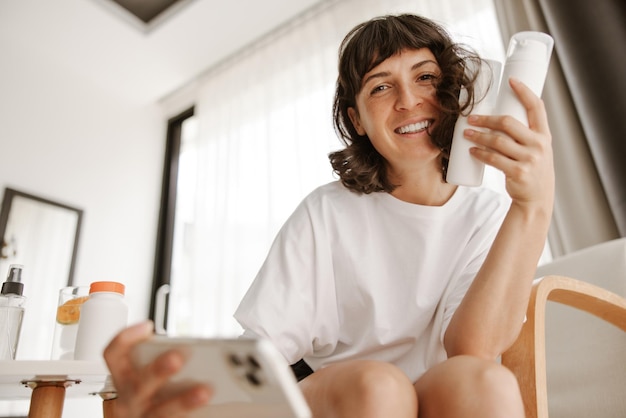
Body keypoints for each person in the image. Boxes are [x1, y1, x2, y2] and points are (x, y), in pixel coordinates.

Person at [104, 13, 554, 418]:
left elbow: (472, 348)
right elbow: (264, 348)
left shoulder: (488, 213)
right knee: (380, 387)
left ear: (451, 91)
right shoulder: (327, 212)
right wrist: (184, 388)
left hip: (442, 393)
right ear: (357, 119)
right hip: (342, 394)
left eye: (425, 78)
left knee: (485, 380)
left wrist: (533, 204)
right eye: (381, 86)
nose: (407, 100)